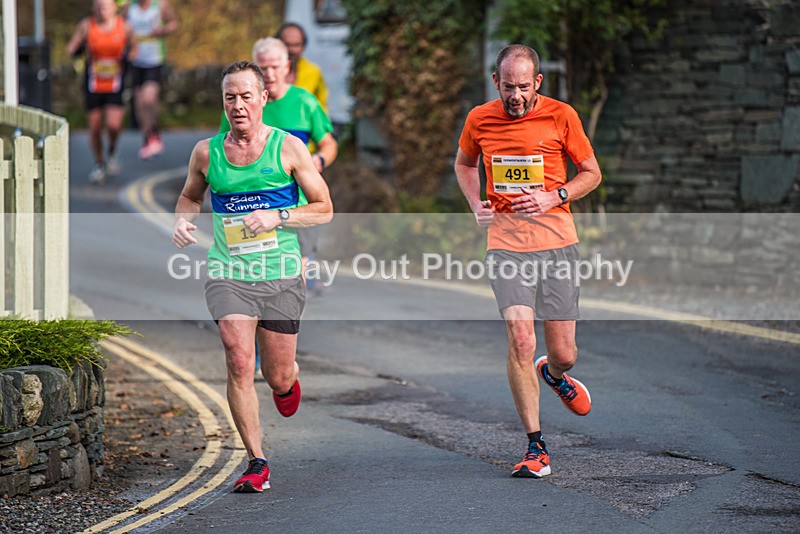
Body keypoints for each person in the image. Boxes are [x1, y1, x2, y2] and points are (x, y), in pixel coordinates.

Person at [173, 61, 333, 493]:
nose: (238, 105)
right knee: (239, 358)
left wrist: (279, 215)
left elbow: (325, 206)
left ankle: (288, 381)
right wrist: (183, 220)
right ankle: (256, 461)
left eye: (246, 96)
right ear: (222, 103)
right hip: (229, 272)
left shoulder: (288, 149)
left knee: (277, 375)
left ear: (264, 98)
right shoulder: (207, 152)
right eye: (230, 98)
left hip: (280, 273)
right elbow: (189, 195)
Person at [455, 44, 602, 478]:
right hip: (506, 243)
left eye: (524, 87)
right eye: (508, 87)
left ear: (537, 82)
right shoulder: (479, 118)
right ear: (495, 82)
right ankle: (536, 447)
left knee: (565, 353)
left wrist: (553, 195)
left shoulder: (562, 116)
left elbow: (592, 174)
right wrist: (474, 203)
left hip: (557, 242)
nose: (515, 96)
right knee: (521, 340)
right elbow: (465, 164)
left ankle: (554, 374)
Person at [220, 37, 338, 294]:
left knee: (298, 269)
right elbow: (222, 150)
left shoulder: (304, 102)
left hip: (299, 201)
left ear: (287, 66)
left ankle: (285, 325)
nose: (269, 73)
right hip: (252, 203)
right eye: (263, 67)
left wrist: (318, 159)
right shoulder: (240, 105)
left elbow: (329, 144)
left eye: (275, 66)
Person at [67, 0, 136, 184]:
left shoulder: (124, 26)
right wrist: (78, 49)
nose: (101, 10)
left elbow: (135, 47)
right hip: (93, 83)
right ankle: (99, 163)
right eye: (98, 7)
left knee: (114, 125)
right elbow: (71, 48)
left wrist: (129, 58)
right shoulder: (86, 26)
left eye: (105, 6)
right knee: (95, 127)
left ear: (114, 8)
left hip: (115, 82)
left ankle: (112, 150)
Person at [122, 0, 179, 159]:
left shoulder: (160, 5)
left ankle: (155, 132)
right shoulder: (128, 7)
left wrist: (163, 30)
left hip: (154, 60)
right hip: (135, 60)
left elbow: (174, 23)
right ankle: (148, 139)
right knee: (139, 104)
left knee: (149, 99)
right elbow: (119, 25)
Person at [276, 22, 328, 110]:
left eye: (296, 45)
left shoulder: (313, 72)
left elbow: (322, 106)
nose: (292, 50)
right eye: (287, 44)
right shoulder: (265, 72)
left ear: (303, 47)